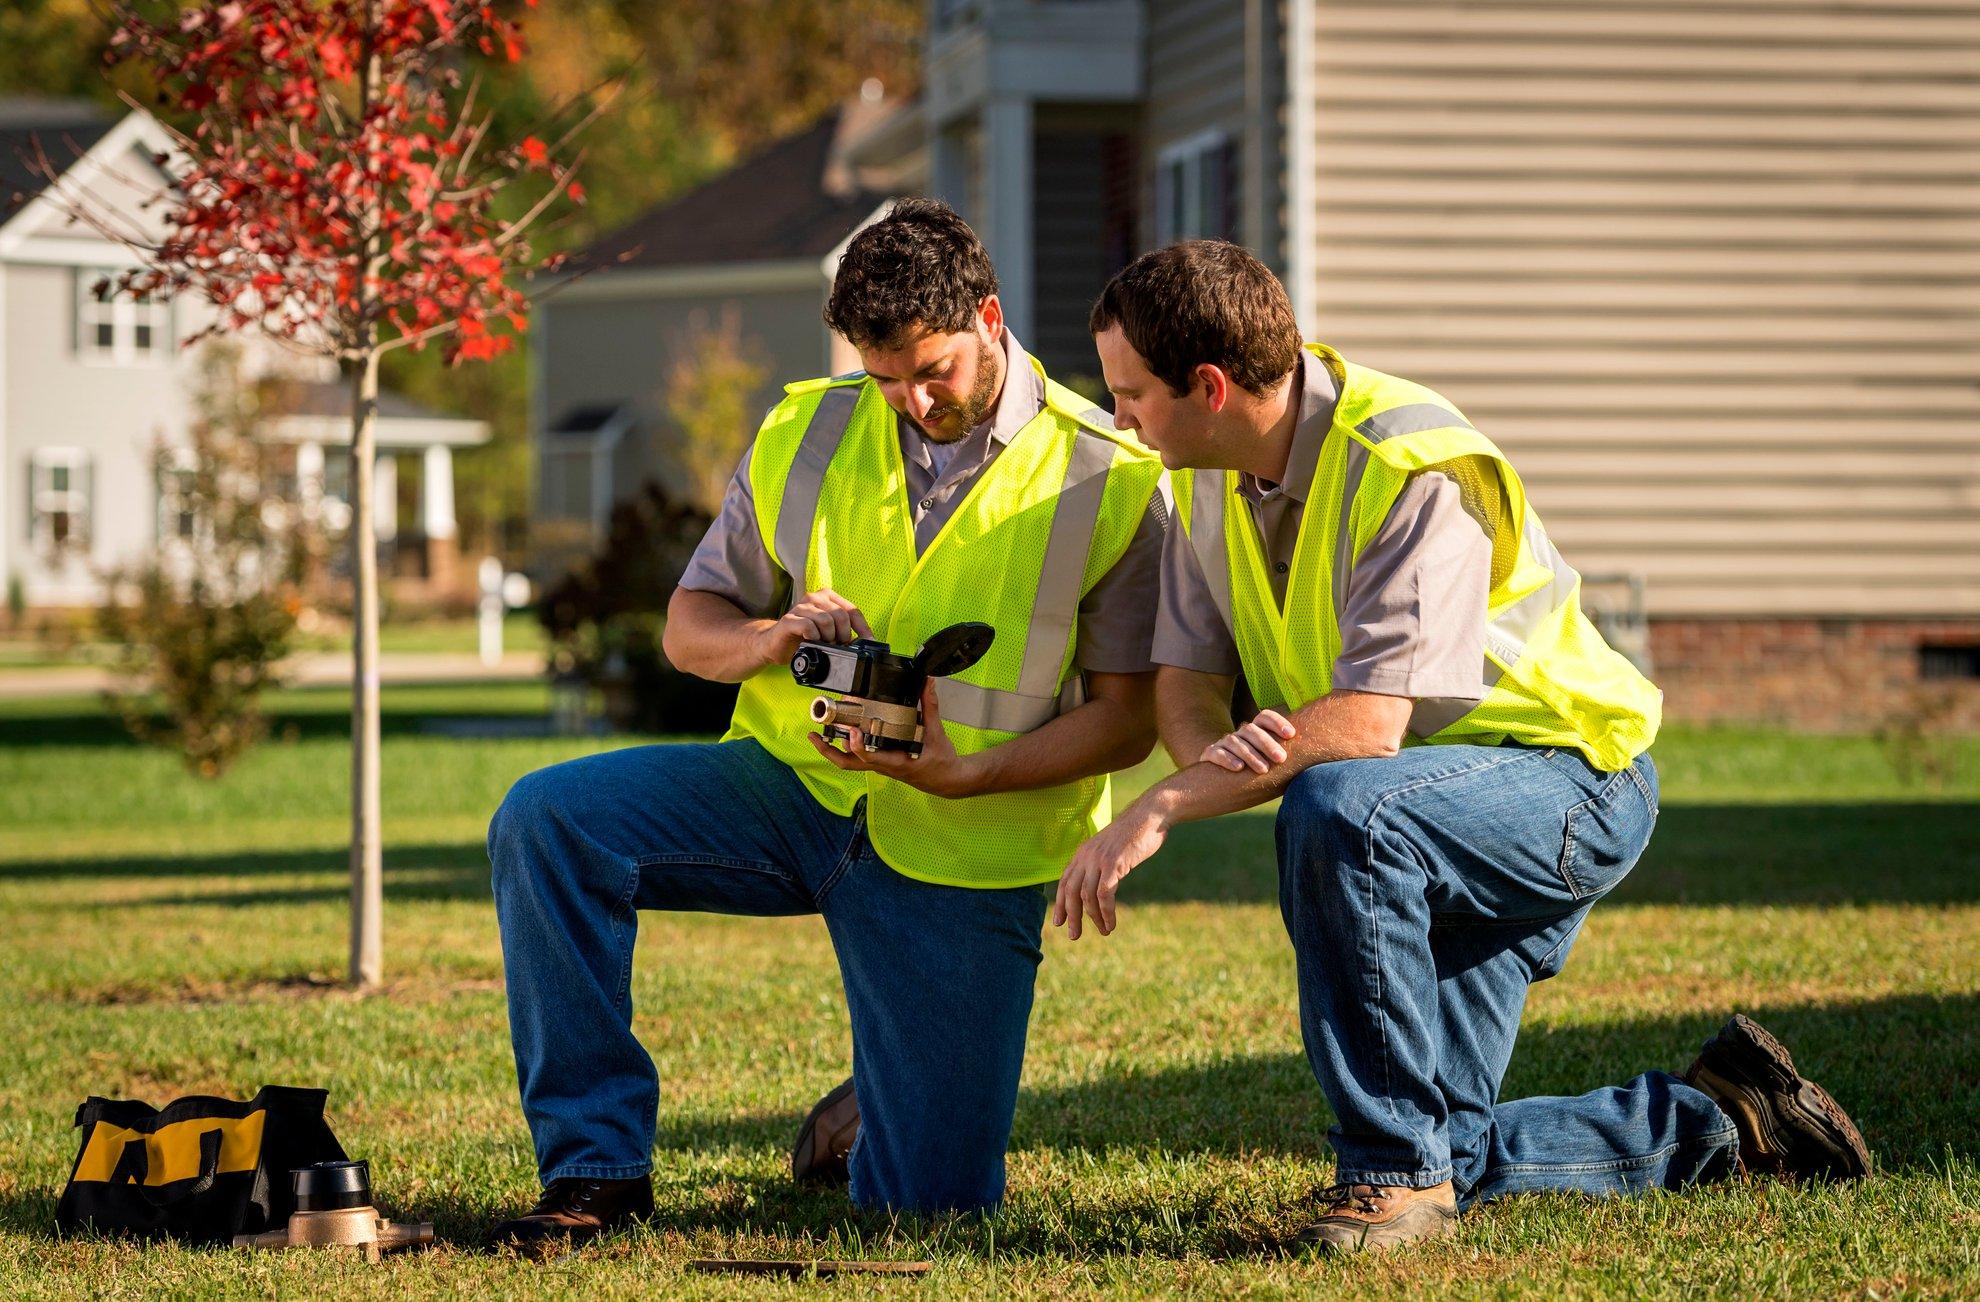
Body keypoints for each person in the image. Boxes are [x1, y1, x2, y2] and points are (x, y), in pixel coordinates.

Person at [1054, 240, 1869, 1254]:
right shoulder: (1202, 473)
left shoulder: (1410, 464)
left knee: (1339, 808)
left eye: (1130, 394)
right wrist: (1202, 755)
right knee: (1457, 1148)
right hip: (1427, 812)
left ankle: (1388, 1183)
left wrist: (1162, 806)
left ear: (1209, 386)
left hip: (1568, 782)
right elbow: (1187, 683)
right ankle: (1725, 1119)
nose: (1119, 416)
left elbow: (1365, 729)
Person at [483, 199, 1167, 1255]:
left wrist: (962, 778)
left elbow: (1126, 725)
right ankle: (596, 1171)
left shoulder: (1110, 478)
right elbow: (688, 626)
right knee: (549, 819)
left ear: (989, 317)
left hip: (966, 845)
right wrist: (764, 638)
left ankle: (869, 1110)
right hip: (788, 793)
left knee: (927, 1214)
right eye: (884, 375)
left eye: (931, 369)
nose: (909, 398)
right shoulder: (805, 428)